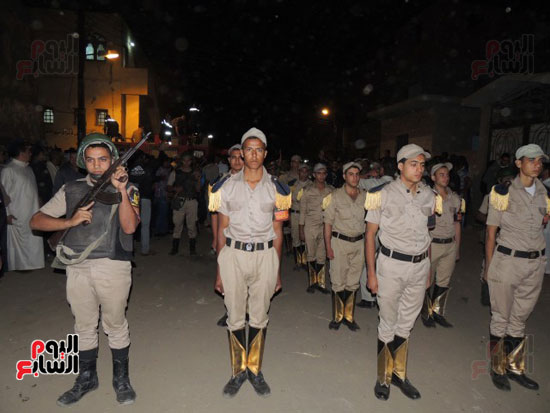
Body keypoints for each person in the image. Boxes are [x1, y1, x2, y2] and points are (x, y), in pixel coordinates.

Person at [30, 133, 140, 406]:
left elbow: (129, 227)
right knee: (84, 325)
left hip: (113, 264)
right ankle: (87, 378)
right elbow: (36, 220)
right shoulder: (71, 189)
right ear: (82, 162)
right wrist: (69, 222)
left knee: (115, 324)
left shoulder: (129, 188)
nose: (97, 165)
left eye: (103, 159)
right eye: (90, 160)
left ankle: (121, 379)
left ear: (113, 161)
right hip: (77, 265)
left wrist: (122, 189)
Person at [210, 127, 290, 398]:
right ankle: (237, 371)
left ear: (265, 154)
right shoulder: (225, 187)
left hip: (265, 255)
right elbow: (222, 230)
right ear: (241, 153)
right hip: (233, 255)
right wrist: (219, 272)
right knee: (234, 315)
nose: (253, 154)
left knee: (259, 315)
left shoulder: (278, 189)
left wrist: (276, 269)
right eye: (249, 149)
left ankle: (254, 369)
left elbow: (279, 232)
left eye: (259, 149)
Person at [365, 144, 436, 401]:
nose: (419, 169)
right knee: (388, 322)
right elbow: (370, 235)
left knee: (406, 324)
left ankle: (399, 373)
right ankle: (384, 376)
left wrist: (427, 269)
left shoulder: (429, 196)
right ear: (400, 166)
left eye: (422, 164)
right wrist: (371, 274)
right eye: (413, 164)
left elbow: (428, 233)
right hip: (391, 265)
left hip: (420, 266)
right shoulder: (381, 194)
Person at [485, 144, 547, 392]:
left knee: (520, 318)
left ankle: (515, 366)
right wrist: (489, 268)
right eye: (531, 160)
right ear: (519, 163)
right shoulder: (502, 192)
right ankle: (497, 366)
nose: (537, 164)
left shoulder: (546, 193)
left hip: (535, 263)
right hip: (507, 262)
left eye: (540, 160)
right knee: (501, 317)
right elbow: (491, 232)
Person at [323, 162, 366, 331]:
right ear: (344, 176)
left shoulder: (366, 196)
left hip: (359, 243)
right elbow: (327, 223)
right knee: (338, 281)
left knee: (353, 282)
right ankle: (338, 316)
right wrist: (328, 247)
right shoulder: (334, 196)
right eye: (351, 174)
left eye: (357, 174)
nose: (354, 177)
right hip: (339, 242)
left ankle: (349, 316)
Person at [420, 163, 464, 328]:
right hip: (432, 244)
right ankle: (426, 313)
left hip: (449, 244)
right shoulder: (427, 197)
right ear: (433, 177)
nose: (445, 177)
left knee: (444, 281)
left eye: (447, 174)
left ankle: (437, 312)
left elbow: (457, 224)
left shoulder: (455, 198)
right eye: (441, 174)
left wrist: (457, 247)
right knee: (426, 280)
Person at [211, 144, 244, 328]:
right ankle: (230, 310)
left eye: (241, 157)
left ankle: (245, 311)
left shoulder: (253, 181)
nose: (237, 161)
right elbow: (215, 213)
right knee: (227, 276)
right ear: (228, 160)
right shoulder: (220, 183)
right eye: (233, 157)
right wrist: (216, 238)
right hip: (228, 235)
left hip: (247, 237)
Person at [476, 166, 517, 306]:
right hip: (495, 237)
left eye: (512, 179)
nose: (509, 182)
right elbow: (480, 215)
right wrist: (493, 220)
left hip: (512, 241)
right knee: (488, 265)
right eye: (506, 179)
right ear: (499, 180)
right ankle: (487, 293)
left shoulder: (519, 198)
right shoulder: (491, 196)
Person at [1, 140, 45, 271]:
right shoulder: (8, 170)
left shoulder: (28, 169)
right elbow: (4, 195)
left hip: (32, 211)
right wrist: (7, 214)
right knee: (19, 243)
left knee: (33, 239)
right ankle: (20, 267)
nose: (30, 153)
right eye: (27, 151)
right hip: (17, 213)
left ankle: (32, 264)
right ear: (21, 153)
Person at [299, 163, 334, 293]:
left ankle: (321, 283)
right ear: (314, 175)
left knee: (322, 255)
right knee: (311, 254)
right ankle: (312, 282)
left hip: (325, 226)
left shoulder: (330, 190)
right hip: (310, 226)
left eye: (324, 173)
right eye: (318, 173)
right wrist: (301, 229)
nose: (321, 176)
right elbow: (302, 211)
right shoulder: (307, 190)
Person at [167, 153, 201, 256]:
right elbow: (168, 186)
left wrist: (198, 179)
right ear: (181, 161)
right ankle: (175, 248)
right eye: (184, 160)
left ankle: (192, 249)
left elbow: (198, 189)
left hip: (192, 201)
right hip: (179, 201)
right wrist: (174, 189)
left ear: (191, 161)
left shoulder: (195, 173)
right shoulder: (175, 172)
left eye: (189, 160)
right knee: (177, 224)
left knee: (192, 225)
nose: (186, 162)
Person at [129, 152, 154, 255]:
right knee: (145, 225)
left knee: (131, 224)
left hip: (132, 198)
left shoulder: (129, 168)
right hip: (145, 198)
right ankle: (145, 249)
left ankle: (130, 250)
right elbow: (150, 183)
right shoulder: (148, 169)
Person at [288, 163, 311, 270]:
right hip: (295, 213)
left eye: (306, 171)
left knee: (306, 239)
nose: (304, 173)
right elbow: (288, 200)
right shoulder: (292, 184)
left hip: (307, 215)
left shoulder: (312, 185)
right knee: (295, 238)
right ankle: (298, 261)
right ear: (299, 172)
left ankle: (305, 261)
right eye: (302, 171)